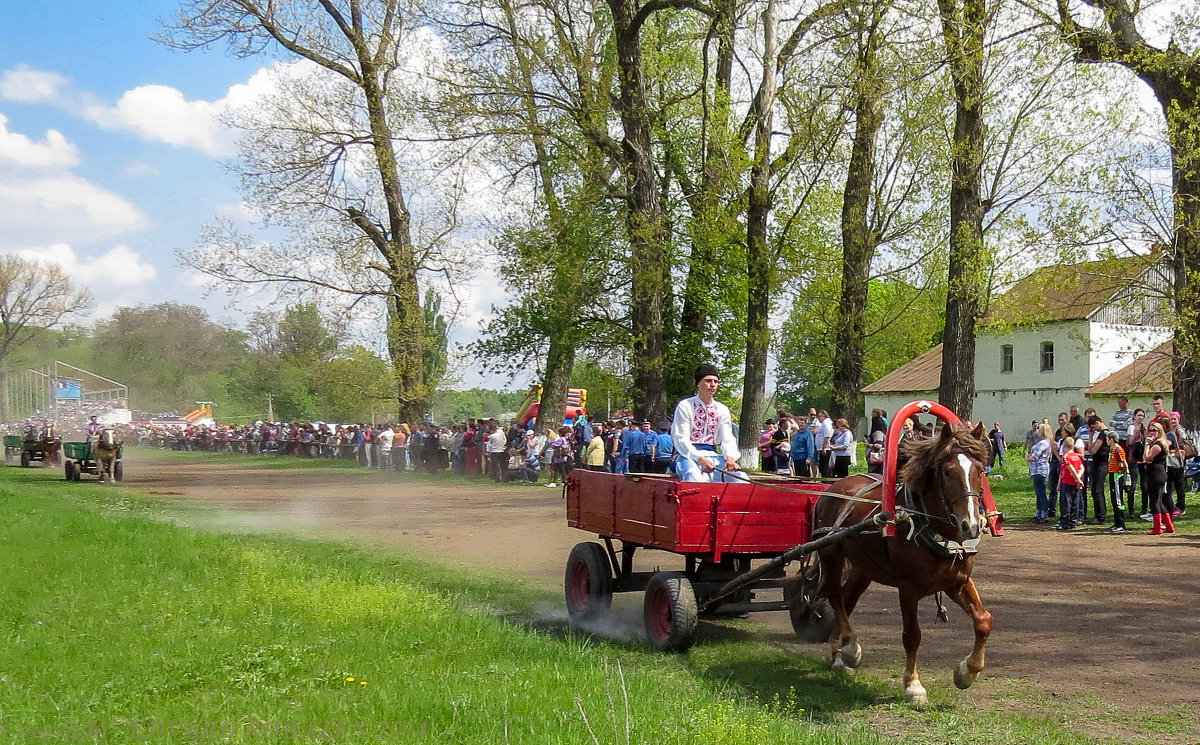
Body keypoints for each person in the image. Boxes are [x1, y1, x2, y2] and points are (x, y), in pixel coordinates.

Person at [671, 364, 745, 483]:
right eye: (708, 381)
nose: (713, 384)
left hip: (715, 456)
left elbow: (728, 438)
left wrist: (730, 458)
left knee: (741, 479)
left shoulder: (722, 409)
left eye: (716, 381)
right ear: (698, 384)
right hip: (688, 456)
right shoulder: (685, 406)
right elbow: (680, 439)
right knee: (693, 476)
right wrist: (700, 459)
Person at [1142, 421, 1175, 535]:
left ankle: (1157, 528)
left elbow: (1146, 458)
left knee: (1154, 501)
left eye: (1154, 430)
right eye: (1149, 430)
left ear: (1159, 431)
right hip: (1157, 474)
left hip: (1156, 474)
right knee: (1159, 501)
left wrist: (1147, 444)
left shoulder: (1157, 445)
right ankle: (1169, 526)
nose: (1151, 433)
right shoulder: (1158, 443)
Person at [1054, 437, 1085, 531]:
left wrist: (1077, 479)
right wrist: (1078, 478)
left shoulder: (1066, 457)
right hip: (1073, 483)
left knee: (1066, 503)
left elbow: (1070, 468)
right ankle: (1073, 521)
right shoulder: (1076, 456)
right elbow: (1082, 468)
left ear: (1064, 446)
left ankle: (1065, 522)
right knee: (1075, 502)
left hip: (1067, 482)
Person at [1026, 423, 1052, 523]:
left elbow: (1035, 457)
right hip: (1038, 470)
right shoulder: (1045, 442)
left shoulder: (1043, 443)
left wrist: (1028, 458)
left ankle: (1044, 514)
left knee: (1041, 493)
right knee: (1039, 493)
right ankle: (1039, 513)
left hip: (1039, 470)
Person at [1105, 431, 1128, 533]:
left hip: (1117, 476)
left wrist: (1121, 474)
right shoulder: (1113, 450)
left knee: (1118, 500)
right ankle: (1116, 522)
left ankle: (1121, 524)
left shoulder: (1117, 449)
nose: (1106, 440)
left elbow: (1123, 464)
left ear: (1111, 439)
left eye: (1107, 439)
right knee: (1114, 500)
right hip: (1113, 474)